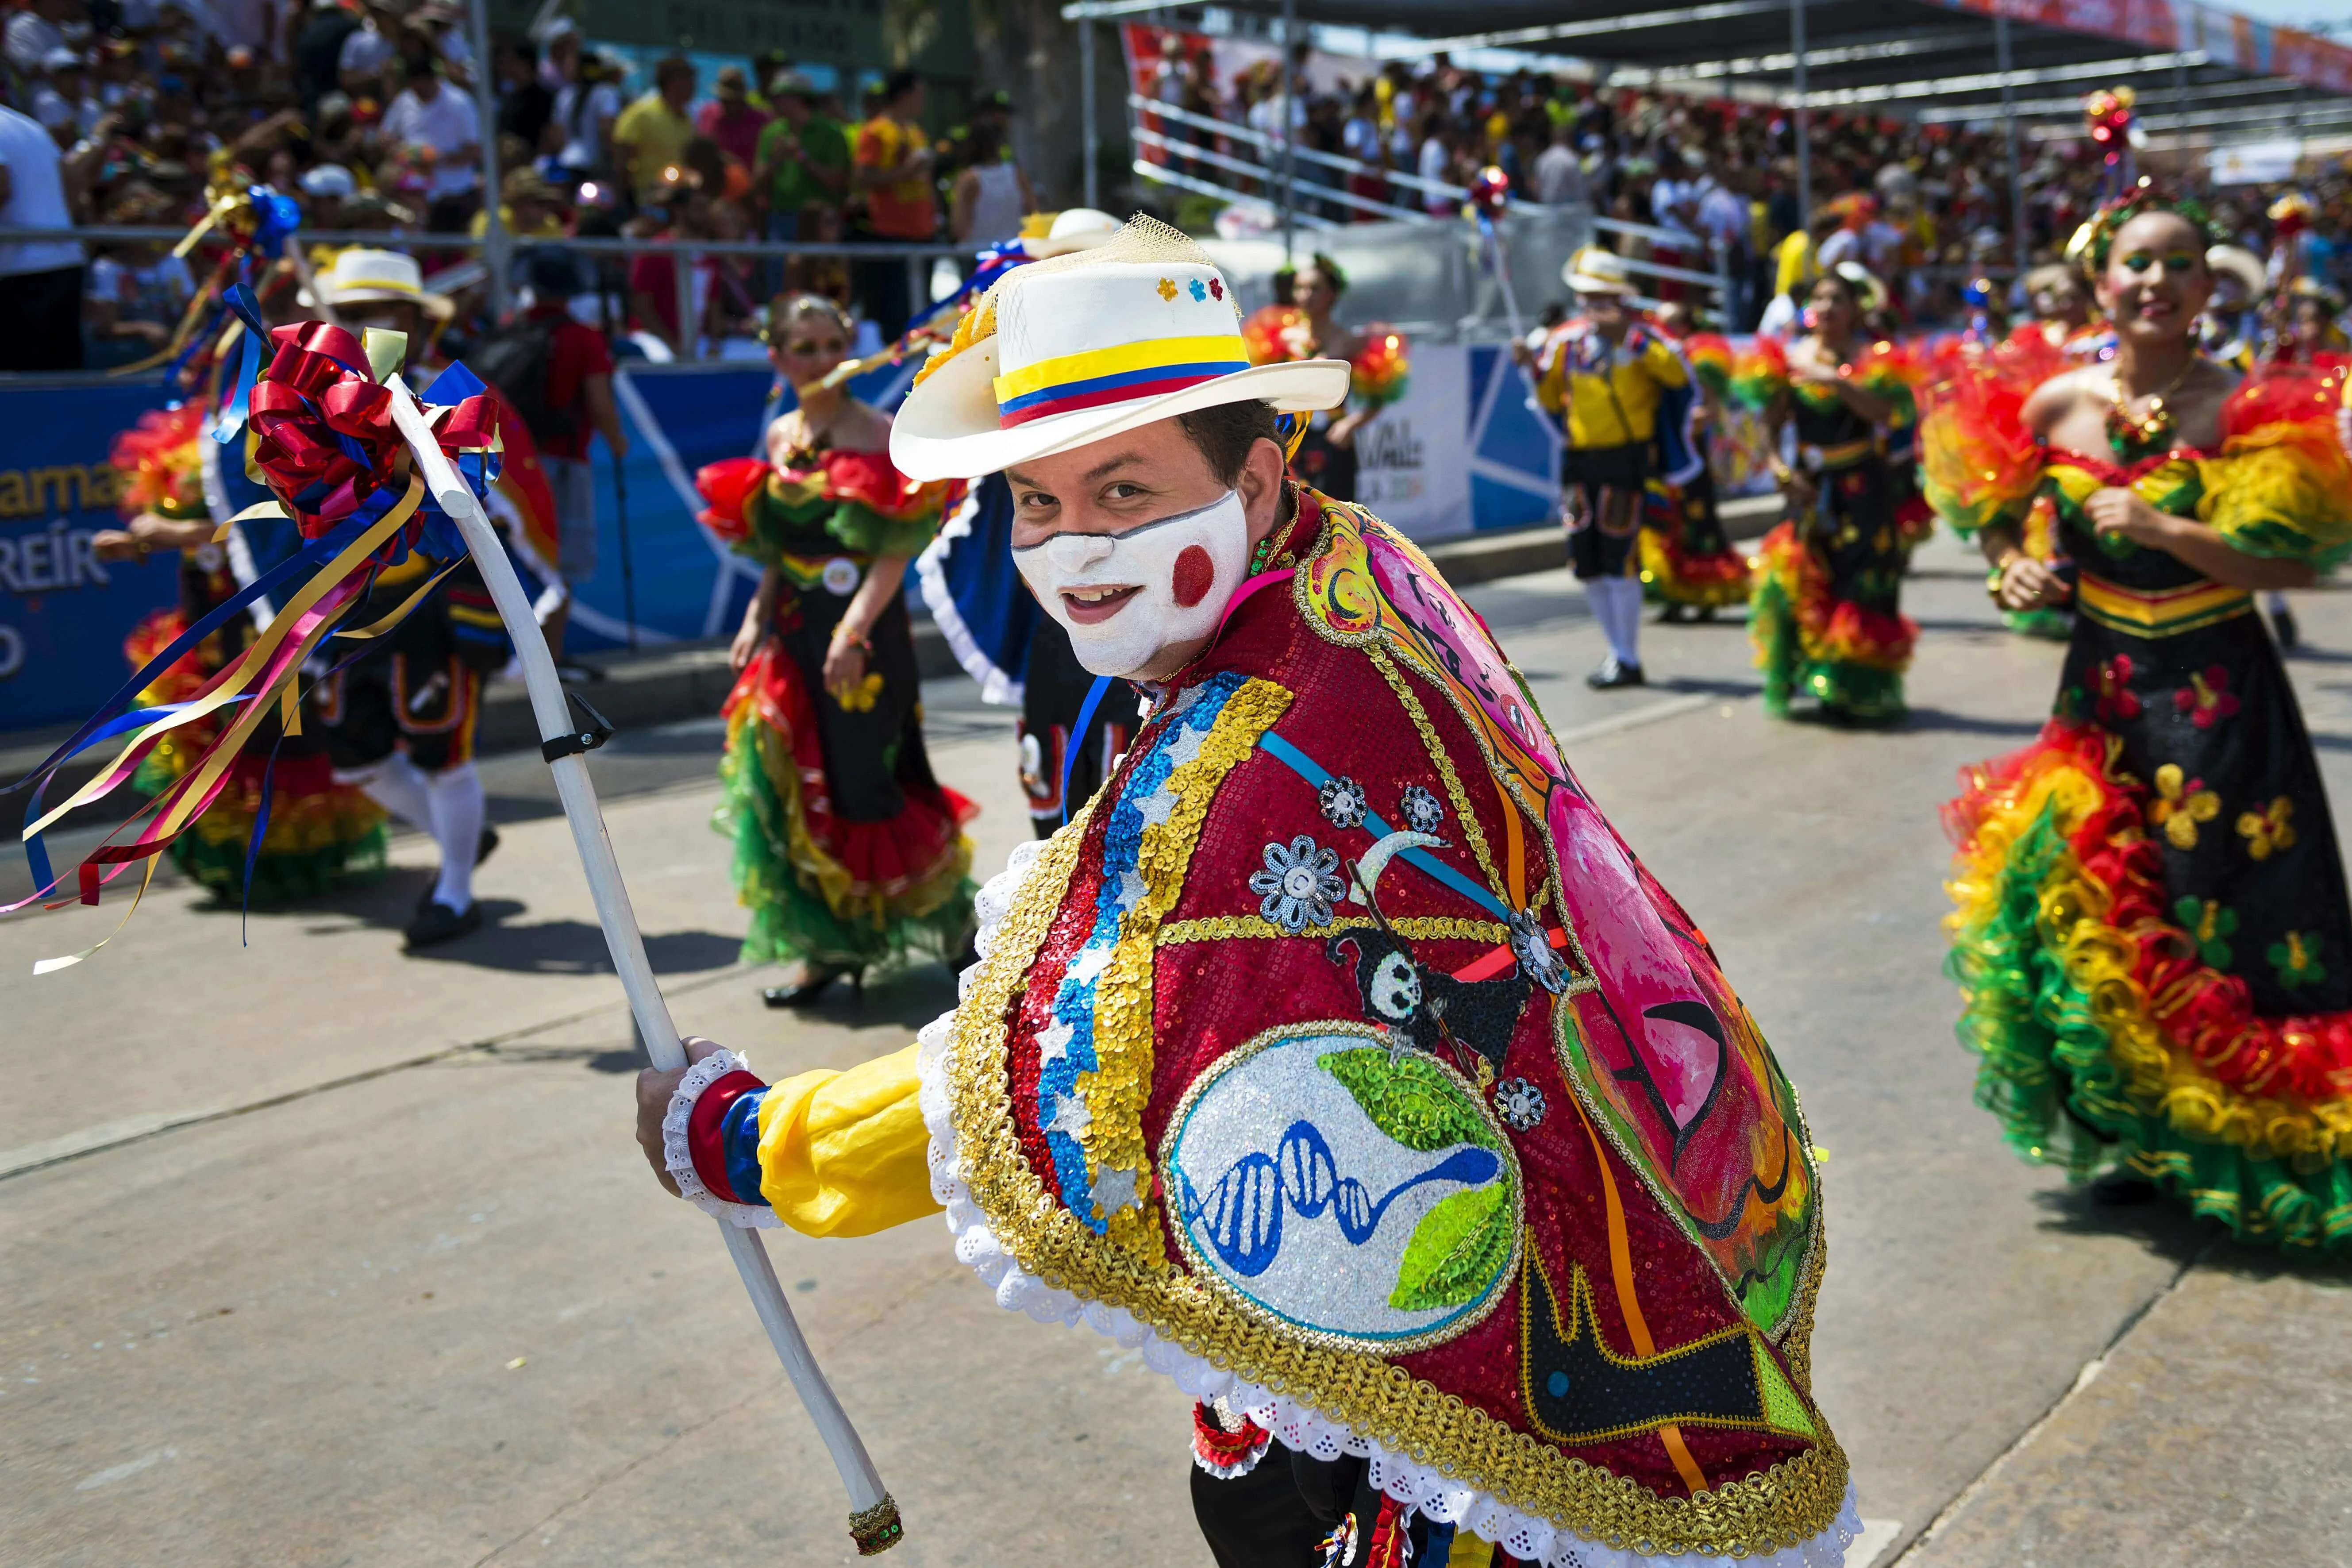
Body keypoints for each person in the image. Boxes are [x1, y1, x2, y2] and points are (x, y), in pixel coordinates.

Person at [631, 217, 1856, 1568]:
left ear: (1260, 480)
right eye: (1035, 501)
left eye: (1123, 492)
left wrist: (748, 1141)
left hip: (1499, 1284)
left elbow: (1050, 1068)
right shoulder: (1355, 561)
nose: (1076, 547)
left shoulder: (1253, 741)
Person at [1923, 190, 2352, 1251]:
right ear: (2100, 285)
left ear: (2209, 288)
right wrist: (2011, 570)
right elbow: (1995, 515)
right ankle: (2141, 1139)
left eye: (2178, 265)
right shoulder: (2052, 405)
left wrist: (2169, 527)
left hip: (2222, 700)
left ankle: (2249, 1145)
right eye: (2135, 265)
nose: (2155, 283)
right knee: (2113, 910)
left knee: (2231, 908)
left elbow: (2300, 564)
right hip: (2101, 697)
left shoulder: (2246, 409)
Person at [694, 293, 975, 1008]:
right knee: (788, 776)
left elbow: (892, 552)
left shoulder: (877, 432)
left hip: (864, 637)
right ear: (779, 358)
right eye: (806, 348)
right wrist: (755, 618)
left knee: (868, 779)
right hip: (792, 629)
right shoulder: (783, 433)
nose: (822, 360)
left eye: (832, 344)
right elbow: (776, 549)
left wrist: (852, 633)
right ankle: (825, 949)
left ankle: (952, 933)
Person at [301, 248, 508, 948]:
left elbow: (481, 502)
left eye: (374, 316)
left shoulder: (444, 403)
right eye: (346, 316)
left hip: (429, 608)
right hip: (348, 608)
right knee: (355, 756)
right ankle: (461, 841)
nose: (357, 330)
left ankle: (454, 890)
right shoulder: (303, 411)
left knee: (441, 751)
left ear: (415, 326)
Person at [1740, 264, 1918, 724]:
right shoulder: (1788, 358)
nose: (1825, 308)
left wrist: (1837, 381)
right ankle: (1814, 674)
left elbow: (1887, 414)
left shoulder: (1871, 358)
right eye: (1818, 299)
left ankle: (1852, 687)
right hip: (1807, 488)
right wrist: (1780, 470)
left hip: (1862, 486)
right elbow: (1770, 424)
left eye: (1836, 300)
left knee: (1861, 583)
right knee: (1805, 579)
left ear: (1855, 310)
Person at [1517, 246, 1690, 689]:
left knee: (1620, 559)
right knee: (1586, 561)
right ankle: (1617, 653)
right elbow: (1551, 399)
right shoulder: (1565, 341)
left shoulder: (1644, 339)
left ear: (1622, 300)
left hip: (1625, 461)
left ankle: (1627, 656)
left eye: (1604, 296)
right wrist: (1531, 369)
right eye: (1586, 296)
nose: (1593, 305)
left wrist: (1628, 338)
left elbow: (1676, 377)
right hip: (1579, 462)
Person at [474, 246, 628, 669]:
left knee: (509, 558)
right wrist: (617, 441)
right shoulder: (583, 337)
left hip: (502, 467)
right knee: (555, 560)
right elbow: (599, 402)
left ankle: (509, 657)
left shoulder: (508, 329)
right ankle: (548, 661)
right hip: (560, 462)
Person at [1239, 252, 1408, 505]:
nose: (1306, 295)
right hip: (1290, 439)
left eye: (1315, 289)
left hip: (1334, 442)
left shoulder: (1349, 343)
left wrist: (1349, 425)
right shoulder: (1279, 339)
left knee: (1337, 514)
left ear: (1332, 294)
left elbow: (1380, 394)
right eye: (1300, 288)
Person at [1639, 309, 1749, 621]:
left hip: (1690, 456)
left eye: (1669, 321)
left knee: (1698, 524)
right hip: (1663, 457)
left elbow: (1711, 411)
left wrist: (1680, 423)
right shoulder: (1656, 359)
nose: (1660, 327)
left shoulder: (1701, 360)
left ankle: (1707, 596)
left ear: (1684, 325)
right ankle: (1673, 595)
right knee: (1664, 525)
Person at [850, 69, 935, 342]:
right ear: (904, 95)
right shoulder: (876, 132)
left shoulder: (915, 132)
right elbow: (863, 177)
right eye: (919, 94)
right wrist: (907, 171)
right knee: (893, 314)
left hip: (923, 233)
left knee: (921, 311)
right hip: (892, 233)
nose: (924, 100)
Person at [0, 100, 84, 373]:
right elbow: (71, 185)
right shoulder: (29, 125)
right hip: (65, 262)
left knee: (23, 380)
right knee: (60, 375)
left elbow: (2, 187)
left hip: (21, 272)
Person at [381, 58, 483, 231]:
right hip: (413, 192)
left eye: (423, 82)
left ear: (433, 79)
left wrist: (436, 158)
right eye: (414, 83)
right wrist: (408, 154)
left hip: (452, 194)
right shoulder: (405, 100)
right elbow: (384, 138)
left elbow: (474, 151)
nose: (418, 89)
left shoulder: (459, 102)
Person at [614, 54, 696, 208]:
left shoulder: (687, 120)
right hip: (646, 201)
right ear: (672, 82)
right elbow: (621, 160)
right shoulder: (641, 113)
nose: (694, 86)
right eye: (688, 79)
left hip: (679, 202)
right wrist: (627, 199)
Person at [946, 119, 1031, 250]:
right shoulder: (1017, 175)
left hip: (978, 255)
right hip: (1014, 251)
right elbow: (1034, 214)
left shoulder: (969, 179)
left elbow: (959, 228)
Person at [694, 62, 769, 174]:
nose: (727, 105)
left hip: (747, 184)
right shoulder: (707, 114)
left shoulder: (761, 121)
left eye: (732, 101)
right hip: (712, 183)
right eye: (723, 99)